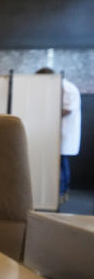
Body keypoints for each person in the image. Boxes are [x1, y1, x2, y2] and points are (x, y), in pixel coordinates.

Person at [37, 68, 82, 203]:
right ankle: (60, 192)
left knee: (61, 163)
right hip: (56, 132)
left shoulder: (67, 88)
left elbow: (68, 109)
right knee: (59, 163)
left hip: (64, 132)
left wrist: (48, 112)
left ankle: (61, 193)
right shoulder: (60, 86)